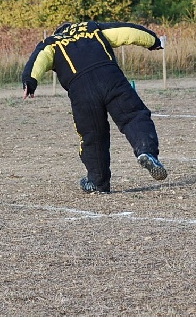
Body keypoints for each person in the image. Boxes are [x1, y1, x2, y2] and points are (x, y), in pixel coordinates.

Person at [21, 21, 168, 194]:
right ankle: (146, 151)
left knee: (93, 136)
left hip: (81, 91)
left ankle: (98, 182)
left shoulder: (52, 42)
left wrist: (29, 82)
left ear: (58, 31)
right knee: (134, 116)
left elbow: (39, 58)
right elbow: (127, 31)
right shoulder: (91, 28)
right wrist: (154, 41)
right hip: (111, 78)